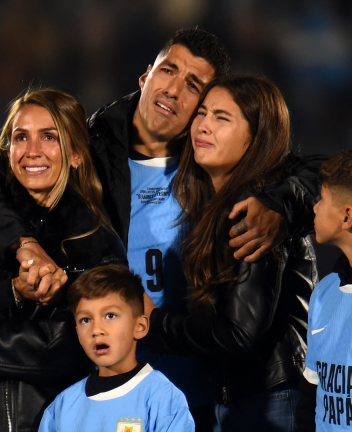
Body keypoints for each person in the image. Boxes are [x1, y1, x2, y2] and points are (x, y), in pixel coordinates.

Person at [0, 28, 324, 429]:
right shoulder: (92, 149)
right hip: (110, 395)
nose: (173, 89)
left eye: (193, 85)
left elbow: (323, 175)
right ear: (145, 76)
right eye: (168, 70)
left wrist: (280, 203)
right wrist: (25, 244)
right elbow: (11, 177)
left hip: (207, 394)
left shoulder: (219, 165)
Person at [143, 74, 316, 432]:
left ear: (256, 138)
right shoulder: (213, 202)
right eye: (202, 113)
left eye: (222, 118)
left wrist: (153, 326)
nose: (203, 126)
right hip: (241, 401)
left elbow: (239, 333)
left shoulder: (253, 208)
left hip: (269, 403)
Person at [0, 88, 126, 431]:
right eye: (20, 137)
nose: (32, 151)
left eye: (49, 137)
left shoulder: (97, 242)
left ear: (76, 154)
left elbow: (60, 348)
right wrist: (14, 291)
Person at [39, 264, 194, 432]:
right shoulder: (62, 406)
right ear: (78, 333)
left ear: (140, 326)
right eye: (85, 320)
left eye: (110, 316)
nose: (97, 330)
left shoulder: (163, 397)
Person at [295, 147, 352, 432]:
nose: (315, 207)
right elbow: (312, 393)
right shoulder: (325, 290)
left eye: (322, 199)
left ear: (348, 217)